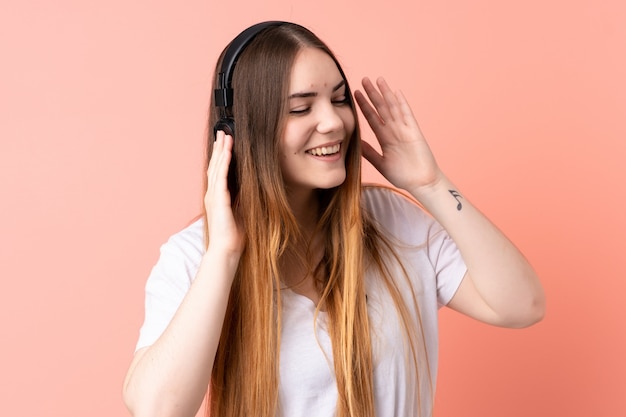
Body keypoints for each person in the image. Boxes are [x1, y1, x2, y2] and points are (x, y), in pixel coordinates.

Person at [122, 21, 545, 417]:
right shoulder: (195, 256)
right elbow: (158, 408)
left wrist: (429, 184)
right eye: (302, 108)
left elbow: (521, 305)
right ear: (243, 131)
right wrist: (224, 255)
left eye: (339, 99)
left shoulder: (393, 221)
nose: (333, 122)